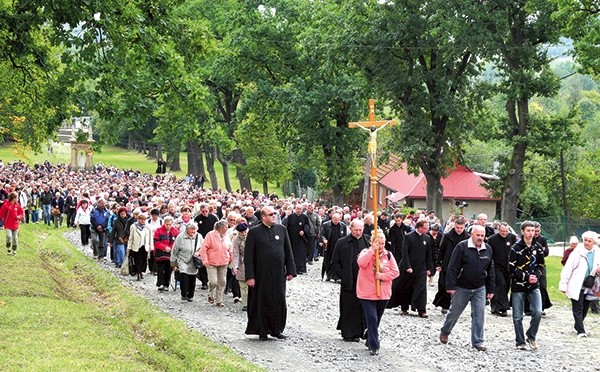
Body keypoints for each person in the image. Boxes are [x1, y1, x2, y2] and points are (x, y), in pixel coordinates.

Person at [439, 225, 495, 352]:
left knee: (479, 314)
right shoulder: (462, 247)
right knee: (454, 312)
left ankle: (478, 341)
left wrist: (491, 289)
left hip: (479, 287)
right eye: (478, 235)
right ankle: (445, 331)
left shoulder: (488, 249)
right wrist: (451, 286)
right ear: (471, 234)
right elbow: (452, 267)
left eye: (482, 235)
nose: (480, 238)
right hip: (462, 287)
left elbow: (491, 270)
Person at [244, 206, 296, 341]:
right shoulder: (254, 232)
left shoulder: (282, 230)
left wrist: (291, 270)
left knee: (278, 299)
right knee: (262, 301)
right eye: (270, 214)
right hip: (261, 274)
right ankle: (262, 329)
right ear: (263, 217)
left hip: (278, 274)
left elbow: (288, 251)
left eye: (275, 213)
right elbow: (248, 256)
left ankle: (276, 329)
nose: (274, 216)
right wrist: (250, 276)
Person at [356, 230, 400, 356]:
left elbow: (395, 272)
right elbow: (361, 264)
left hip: (383, 293)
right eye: (378, 243)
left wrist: (383, 276)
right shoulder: (366, 253)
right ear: (372, 242)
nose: (380, 246)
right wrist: (371, 250)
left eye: (382, 243)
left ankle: (369, 334)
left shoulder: (389, 255)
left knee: (376, 320)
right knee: (372, 318)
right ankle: (374, 345)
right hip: (367, 293)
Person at [330, 219, 370, 342]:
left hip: (363, 281)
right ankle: (347, 332)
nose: (358, 232)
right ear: (350, 229)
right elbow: (335, 261)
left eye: (360, 230)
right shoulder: (342, 242)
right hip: (348, 280)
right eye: (356, 230)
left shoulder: (368, 242)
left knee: (360, 307)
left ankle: (358, 332)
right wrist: (341, 275)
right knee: (348, 306)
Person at [509, 220, 545, 350]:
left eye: (533, 231)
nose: (531, 233)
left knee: (538, 311)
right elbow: (511, 268)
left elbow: (541, 265)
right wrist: (526, 276)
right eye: (528, 231)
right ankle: (520, 341)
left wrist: (536, 276)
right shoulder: (515, 249)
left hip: (534, 285)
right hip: (519, 285)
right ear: (523, 231)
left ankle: (531, 335)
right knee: (518, 316)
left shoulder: (538, 248)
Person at [387, 219, 434, 318]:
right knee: (406, 287)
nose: (427, 230)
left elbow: (429, 254)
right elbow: (405, 253)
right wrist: (407, 266)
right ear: (419, 227)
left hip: (421, 268)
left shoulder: (427, 238)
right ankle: (404, 307)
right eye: (425, 228)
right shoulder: (408, 237)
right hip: (408, 267)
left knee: (421, 288)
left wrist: (430, 268)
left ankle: (421, 309)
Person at [559, 231, 600, 338]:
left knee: (585, 307)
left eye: (589, 241)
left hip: (589, 284)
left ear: (594, 242)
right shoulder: (577, 252)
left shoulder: (597, 252)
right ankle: (581, 331)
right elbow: (567, 269)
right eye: (585, 240)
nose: (586, 243)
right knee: (578, 307)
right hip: (576, 284)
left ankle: (578, 325)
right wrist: (563, 284)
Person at [433, 216, 469, 314]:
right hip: (447, 263)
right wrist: (438, 262)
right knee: (444, 285)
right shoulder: (448, 236)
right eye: (457, 228)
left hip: (461, 265)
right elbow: (442, 249)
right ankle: (444, 305)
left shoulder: (467, 237)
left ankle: (455, 305)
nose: (459, 230)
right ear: (454, 226)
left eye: (461, 228)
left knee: (458, 287)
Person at [200, 220, 231, 307]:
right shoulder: (210, 235)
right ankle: (210, 294)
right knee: (213, 281)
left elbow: (229, 247)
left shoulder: (226, 236)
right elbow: (203, 249)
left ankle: (219, 300)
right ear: (221, 228)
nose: (227, 228)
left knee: (222, 281)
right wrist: (205, 260)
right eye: (226, 227)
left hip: (223, 262)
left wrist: (230, 257)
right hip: (211, 262)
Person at [488, 222, 517, 317]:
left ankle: (499, 306)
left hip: (508, 266)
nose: (504, 233)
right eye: (502, 231)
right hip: (496, 266)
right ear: (498, 230)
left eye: (506, 231)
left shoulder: (512, 237)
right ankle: (500, 307)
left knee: (506, 285)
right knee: (500, 285)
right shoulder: (492, 239)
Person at [173, 222, 204, 302]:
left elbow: (203, 248)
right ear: (187, 229)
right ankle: (183, 294)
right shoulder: (180, 237)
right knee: (184, 275)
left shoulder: (199, 237)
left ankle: (190, 295)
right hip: (182, 259)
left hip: (194, 260)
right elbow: (175, 250)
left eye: (195, 229)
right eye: (192, 229)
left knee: (192, 277)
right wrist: (173, 262)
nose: (193, 231)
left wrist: (198, 253)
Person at [282, 203, 310, 275]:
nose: (299, 210)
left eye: (300, 209)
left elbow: (308, 226)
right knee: (292, 253)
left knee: (301, 253)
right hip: (292, 238)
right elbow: (286, 227)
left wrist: (304, 231)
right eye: (297, 209)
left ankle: (301, 269)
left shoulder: (305, 217)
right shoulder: (290, 217)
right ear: (295, 209)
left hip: (301, 239)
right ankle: (293, 269)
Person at [153, 216, 178, 292]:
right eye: (167, 224)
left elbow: (176, 242)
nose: (168, 226)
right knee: (160, 269)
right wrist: (164, 247)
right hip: (160, 253)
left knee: (168, 269)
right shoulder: (158, 230)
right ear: (164, 223)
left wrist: (170, 247)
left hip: (170, 253)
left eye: (170, 224)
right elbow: (156, 242)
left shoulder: (175, 231)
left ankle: (166, 284)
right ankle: (160, 283)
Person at [321, 212, 348, 281]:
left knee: (337, 261)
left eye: (338, 220)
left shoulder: (343, 226)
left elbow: (345, 236)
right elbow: (322, 234)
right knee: (328, 261)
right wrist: (324, 240)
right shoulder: (326, 225)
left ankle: (336, 276)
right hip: (329, 246)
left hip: (338, 246)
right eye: (335, 220)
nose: (336, 222)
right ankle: (328, 275)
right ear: (332, 218)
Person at [127, 212, 154, 281]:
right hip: (136, 246)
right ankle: (138, 273)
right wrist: (129, 247)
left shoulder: (148, 227)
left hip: (145, 246)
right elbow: (131, 237)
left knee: (143, 260)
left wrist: (151, 247)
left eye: (144, 219)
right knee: (137, 260)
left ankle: (141, 271)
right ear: (138, 219)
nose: (142, 221)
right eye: (141, 219)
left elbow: (150, 237)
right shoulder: (133, 226)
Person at [232, 222, 249, 310]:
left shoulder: (252, 237)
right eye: (242, 232)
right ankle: (245, 304)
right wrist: (235, 266)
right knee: (243, 285)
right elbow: (235, 254)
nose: (244, 233)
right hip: (242, 263)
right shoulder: (236, 240)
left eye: (245, 231)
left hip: (253, 262)